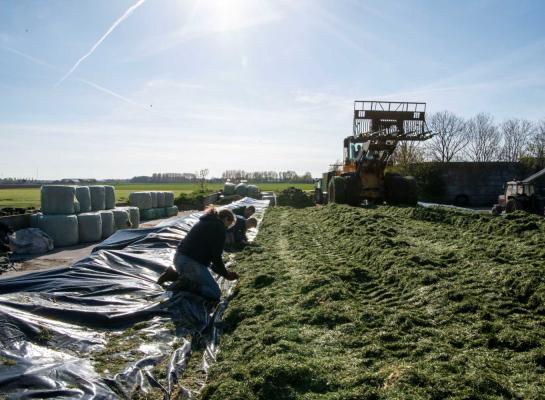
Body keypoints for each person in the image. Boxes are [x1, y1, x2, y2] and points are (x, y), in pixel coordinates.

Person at [157, 207, 239, 300]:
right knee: (215, 293)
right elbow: (216, 257)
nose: (226, 228)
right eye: (228, 225)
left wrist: (225, 274)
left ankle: (174, 275)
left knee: (201, 280)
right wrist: (226, 274)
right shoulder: (219, 227)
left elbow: (212, 261)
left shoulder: (206, 221)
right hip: (190, 263)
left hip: (179, 259)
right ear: (226, 219)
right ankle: (184, 284)